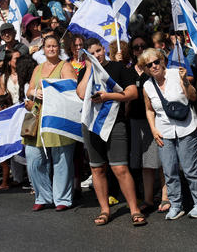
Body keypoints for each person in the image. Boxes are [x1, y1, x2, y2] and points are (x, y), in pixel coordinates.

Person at [76, 38, 146, 226]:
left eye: (99, 51)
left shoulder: (119, 68)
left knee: (120, 168)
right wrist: (90, 68)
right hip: (92, 125)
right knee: (97, 168)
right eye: (92, 53)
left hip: (115, 123)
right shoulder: (85, 71)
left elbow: (132, 93)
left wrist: (107, 96)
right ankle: (104, 209)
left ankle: (134, 209)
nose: (97, 55)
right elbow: (82, 94)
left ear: (104, 49)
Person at [140, 48, 197, 220]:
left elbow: (193, 97)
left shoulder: (176, 74)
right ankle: (176, 205)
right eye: (149, 65)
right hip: (163, 131)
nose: (154, 66)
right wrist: (153, 130)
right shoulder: (147, 86)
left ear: (163, 60)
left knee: (189, 169)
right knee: (170, 170)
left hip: (186, 128)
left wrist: (185, 81)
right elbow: (149, 110)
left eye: (157, 61)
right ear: (146, 68)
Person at [24, 35, 77, 211]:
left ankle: (62, 198)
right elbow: (30, 89)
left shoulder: (65, 66)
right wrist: (36, 92)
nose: (51, 49)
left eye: (54, 46)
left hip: (58, 117)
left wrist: (51, 91)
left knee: (61, 158)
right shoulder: (38, 68)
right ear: (43, 49)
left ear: (58, 48)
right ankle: (43, 195)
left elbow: (72, 88)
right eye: (48, 46)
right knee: (33, 158)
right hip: (38, 117)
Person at [128, 36, 168, 213]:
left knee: (162, 162)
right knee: (146, 163)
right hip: (137, 121)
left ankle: (166, 197)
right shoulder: (128, 70)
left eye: (142, 46)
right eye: (136, 47)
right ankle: (149, 198)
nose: (139, 49)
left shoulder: (154, 69)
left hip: (156, 120)